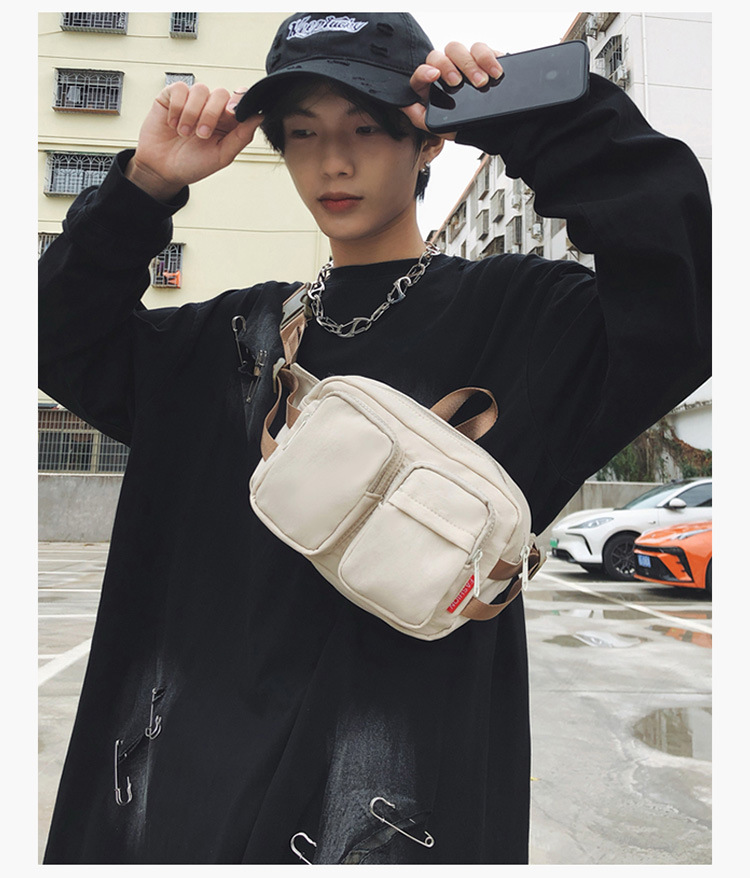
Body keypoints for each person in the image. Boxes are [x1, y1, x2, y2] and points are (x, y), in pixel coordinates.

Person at [39, 11, 711, 865]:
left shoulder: (522, 319)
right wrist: (142, 189)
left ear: (429, 140)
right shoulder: (230, 339)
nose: (334, 161)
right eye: (303, 133)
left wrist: (541, 119)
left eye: (366, 127)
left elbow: (688, 287)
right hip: (181, 795)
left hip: (386, 807)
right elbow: (54, 336)